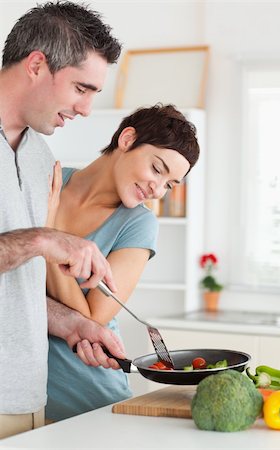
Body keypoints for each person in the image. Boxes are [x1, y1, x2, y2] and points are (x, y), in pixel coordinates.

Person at [0, 1, 124, 439]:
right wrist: (42, 240)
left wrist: (73, 324)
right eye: (81, 88)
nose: (87, 109)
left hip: (27, 399)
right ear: (36, 65)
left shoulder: (39, 157)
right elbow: (29, 246)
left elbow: (14, 287)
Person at [45, 103, 200, 421]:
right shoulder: (49, 182)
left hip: (89, 401)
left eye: (170, 184)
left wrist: (47, 235)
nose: (158, 190)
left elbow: (91, 319)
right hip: (20, 394)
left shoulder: (138, 224)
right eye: (157, 169)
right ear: (128, 139)